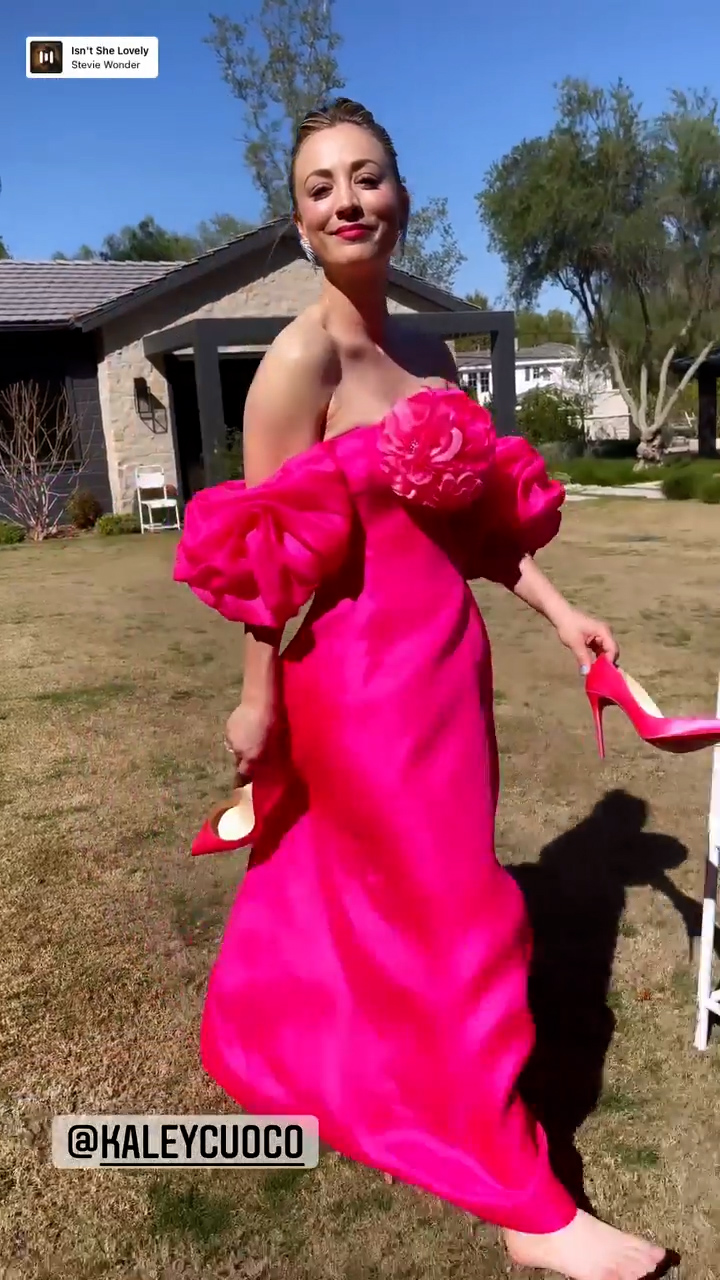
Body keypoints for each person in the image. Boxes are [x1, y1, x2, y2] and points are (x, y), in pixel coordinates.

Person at [174, 98, 668, 1280]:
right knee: (464, 916)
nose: (347, 201)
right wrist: (258, 702)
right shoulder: (297, 364)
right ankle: (523, 1198)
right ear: (297, 221)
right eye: (321, 187)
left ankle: (304, 1045)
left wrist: (562, 615)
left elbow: (479, 529)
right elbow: (266, 561)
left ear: (401, 195)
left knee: (385, 897)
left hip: (448, 670)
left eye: (367, 177)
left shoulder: (434, 358)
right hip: (358, 691)